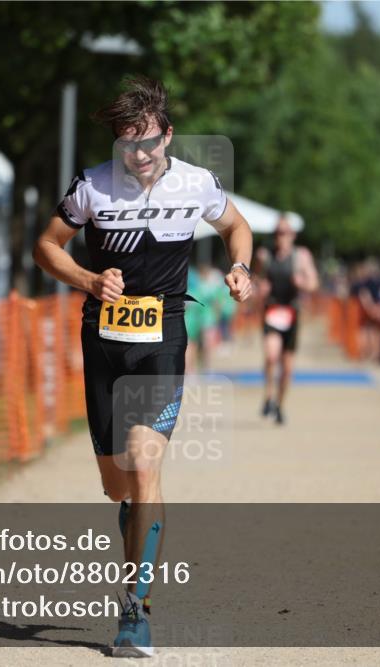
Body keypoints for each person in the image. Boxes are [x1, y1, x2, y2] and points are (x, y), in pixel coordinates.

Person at [32, 75, 254, 657]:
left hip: (163, 339)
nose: (139, 154)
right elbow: (46, 246)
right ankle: (135, 526)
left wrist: (241, 267)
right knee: (118, 483)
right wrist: (85, 278)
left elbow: (236, 226)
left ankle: (136, 610)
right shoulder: (92, 187)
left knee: (145, 460)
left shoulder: (196, 183)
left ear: (168, 136)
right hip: (103, 343)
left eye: (149, 141)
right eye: (128, 143)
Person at [255, 217, 318, 424]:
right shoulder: (265, 256)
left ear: (292, 235)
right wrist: (260, 289)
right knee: (271, 356)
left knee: (287, 366)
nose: (280, 237)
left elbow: (314, 283)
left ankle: (280, 405)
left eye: (284, 232)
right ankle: (268, 396)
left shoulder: (301, 256)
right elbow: (255, 281)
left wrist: (302, 283)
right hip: (272, 310)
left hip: (291, 312)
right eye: (277, 233)